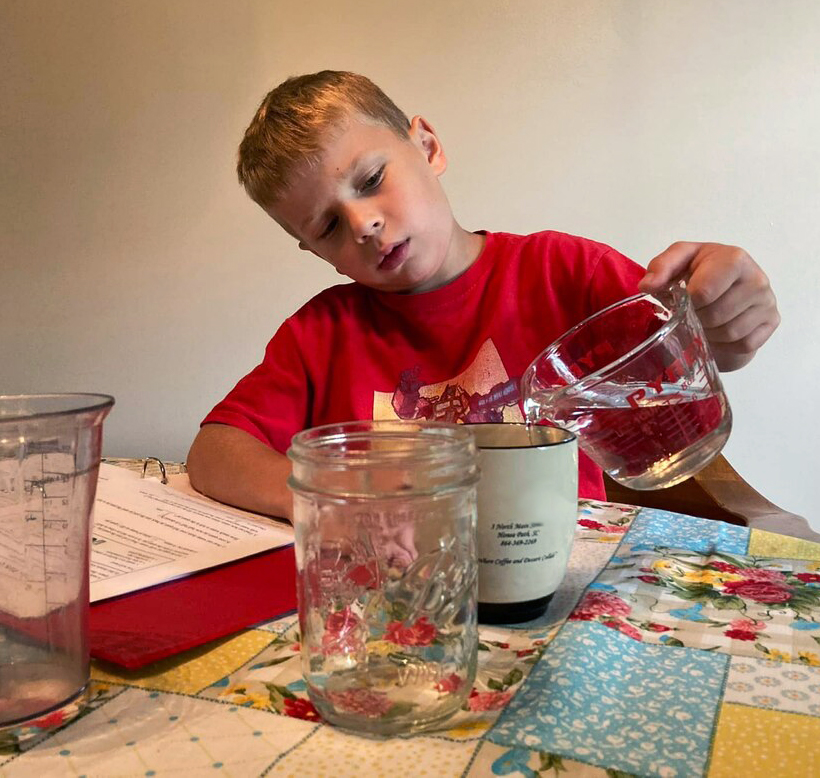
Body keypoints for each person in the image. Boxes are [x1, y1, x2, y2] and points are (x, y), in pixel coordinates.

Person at [187, 70, 780, 519]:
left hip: (558, 588)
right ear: (311, 250)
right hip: (404, 600)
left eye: (371, 180)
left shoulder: (565, 273)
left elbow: (683, 353)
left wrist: (721, 316)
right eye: (327, 227)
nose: (364, 223)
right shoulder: (319, 335)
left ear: (427, 147)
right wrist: (334, 497)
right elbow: (215, 452)